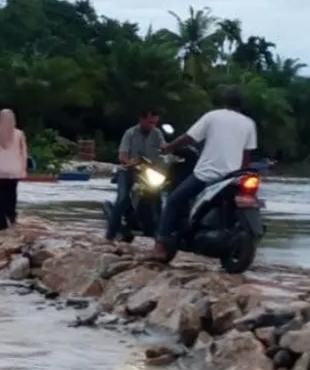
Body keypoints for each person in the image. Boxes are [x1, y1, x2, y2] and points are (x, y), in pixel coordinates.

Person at [151, 85, 257, 261]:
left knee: (173, 201)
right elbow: (246, 155)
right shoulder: (249, 123)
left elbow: (189, 138)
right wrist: (241, 173)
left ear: (224, 101)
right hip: (232, 177)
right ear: (241, 104)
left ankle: (160, 246)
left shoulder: (212, 116)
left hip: (206, 174)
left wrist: (169, 147)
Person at [105, 108, 165, 241]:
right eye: (150, 122)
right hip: (128, 170)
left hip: (148, 172)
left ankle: (160, 235)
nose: (152, 126)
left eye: (155, 123)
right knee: (122, 199)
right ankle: (110, 236)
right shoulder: (130, 133)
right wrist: (130, 162)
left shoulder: (157, 133)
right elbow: (122, 155)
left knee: (157, 198)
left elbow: (164, 150)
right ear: (141, 120)